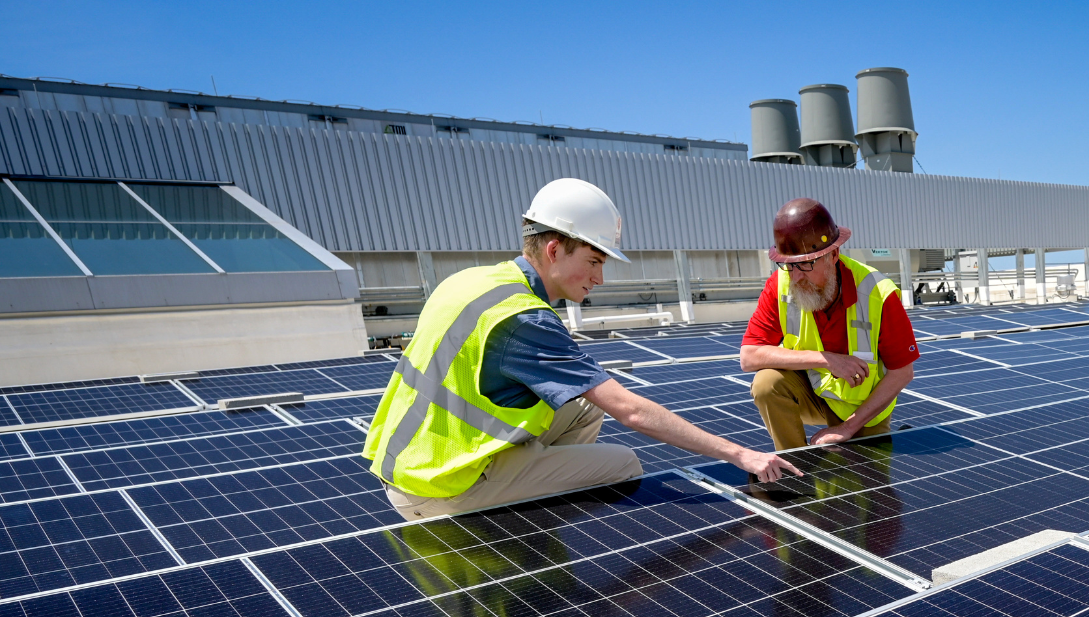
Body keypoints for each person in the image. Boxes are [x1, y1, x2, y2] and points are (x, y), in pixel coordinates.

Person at [365, 178, 798, 521]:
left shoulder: (472, 281)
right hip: (442, 484)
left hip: (412, 461)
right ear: (554, 250)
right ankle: (507, 521)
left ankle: (526, 483)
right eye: (594, 261)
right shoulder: (523, 318)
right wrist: (741, 453)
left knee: (582, 408)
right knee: (624, 464)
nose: (600, 279)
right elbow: (629, 410)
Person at [739, 198, 920, 451]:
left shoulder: (878, 293)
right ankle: (795, 466)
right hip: (811, 393)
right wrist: (826, 359)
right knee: (766, 384)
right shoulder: (780, 285)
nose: (796, 275)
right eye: (789, 265)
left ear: (833, 254)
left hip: (863, 406)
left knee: (865, 482)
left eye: (806, 263)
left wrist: (846, 428)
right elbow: (748, 357)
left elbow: (902, 372)